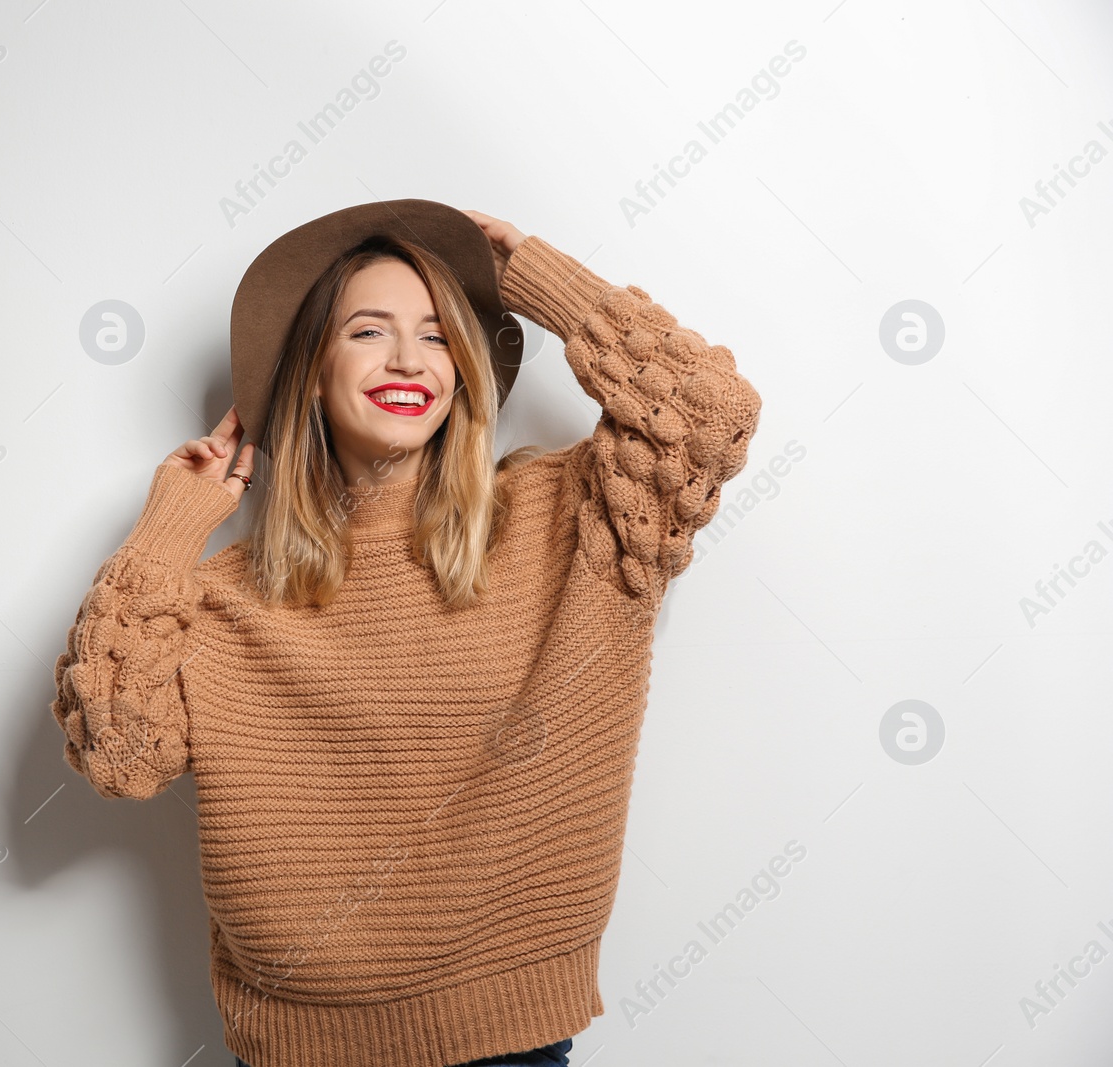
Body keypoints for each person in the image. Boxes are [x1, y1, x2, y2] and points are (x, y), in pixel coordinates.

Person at [50, 199, 762, 1067]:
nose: (406, 359)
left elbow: (709, 414)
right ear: (309, 371)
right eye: (367, 331)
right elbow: (119, 753)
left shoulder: (570, 521)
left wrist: (532, 271)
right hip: (293, 1054)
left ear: (463, 369)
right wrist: (170, 523)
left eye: (436, 336)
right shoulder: (222, 600)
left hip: (512, 1044)